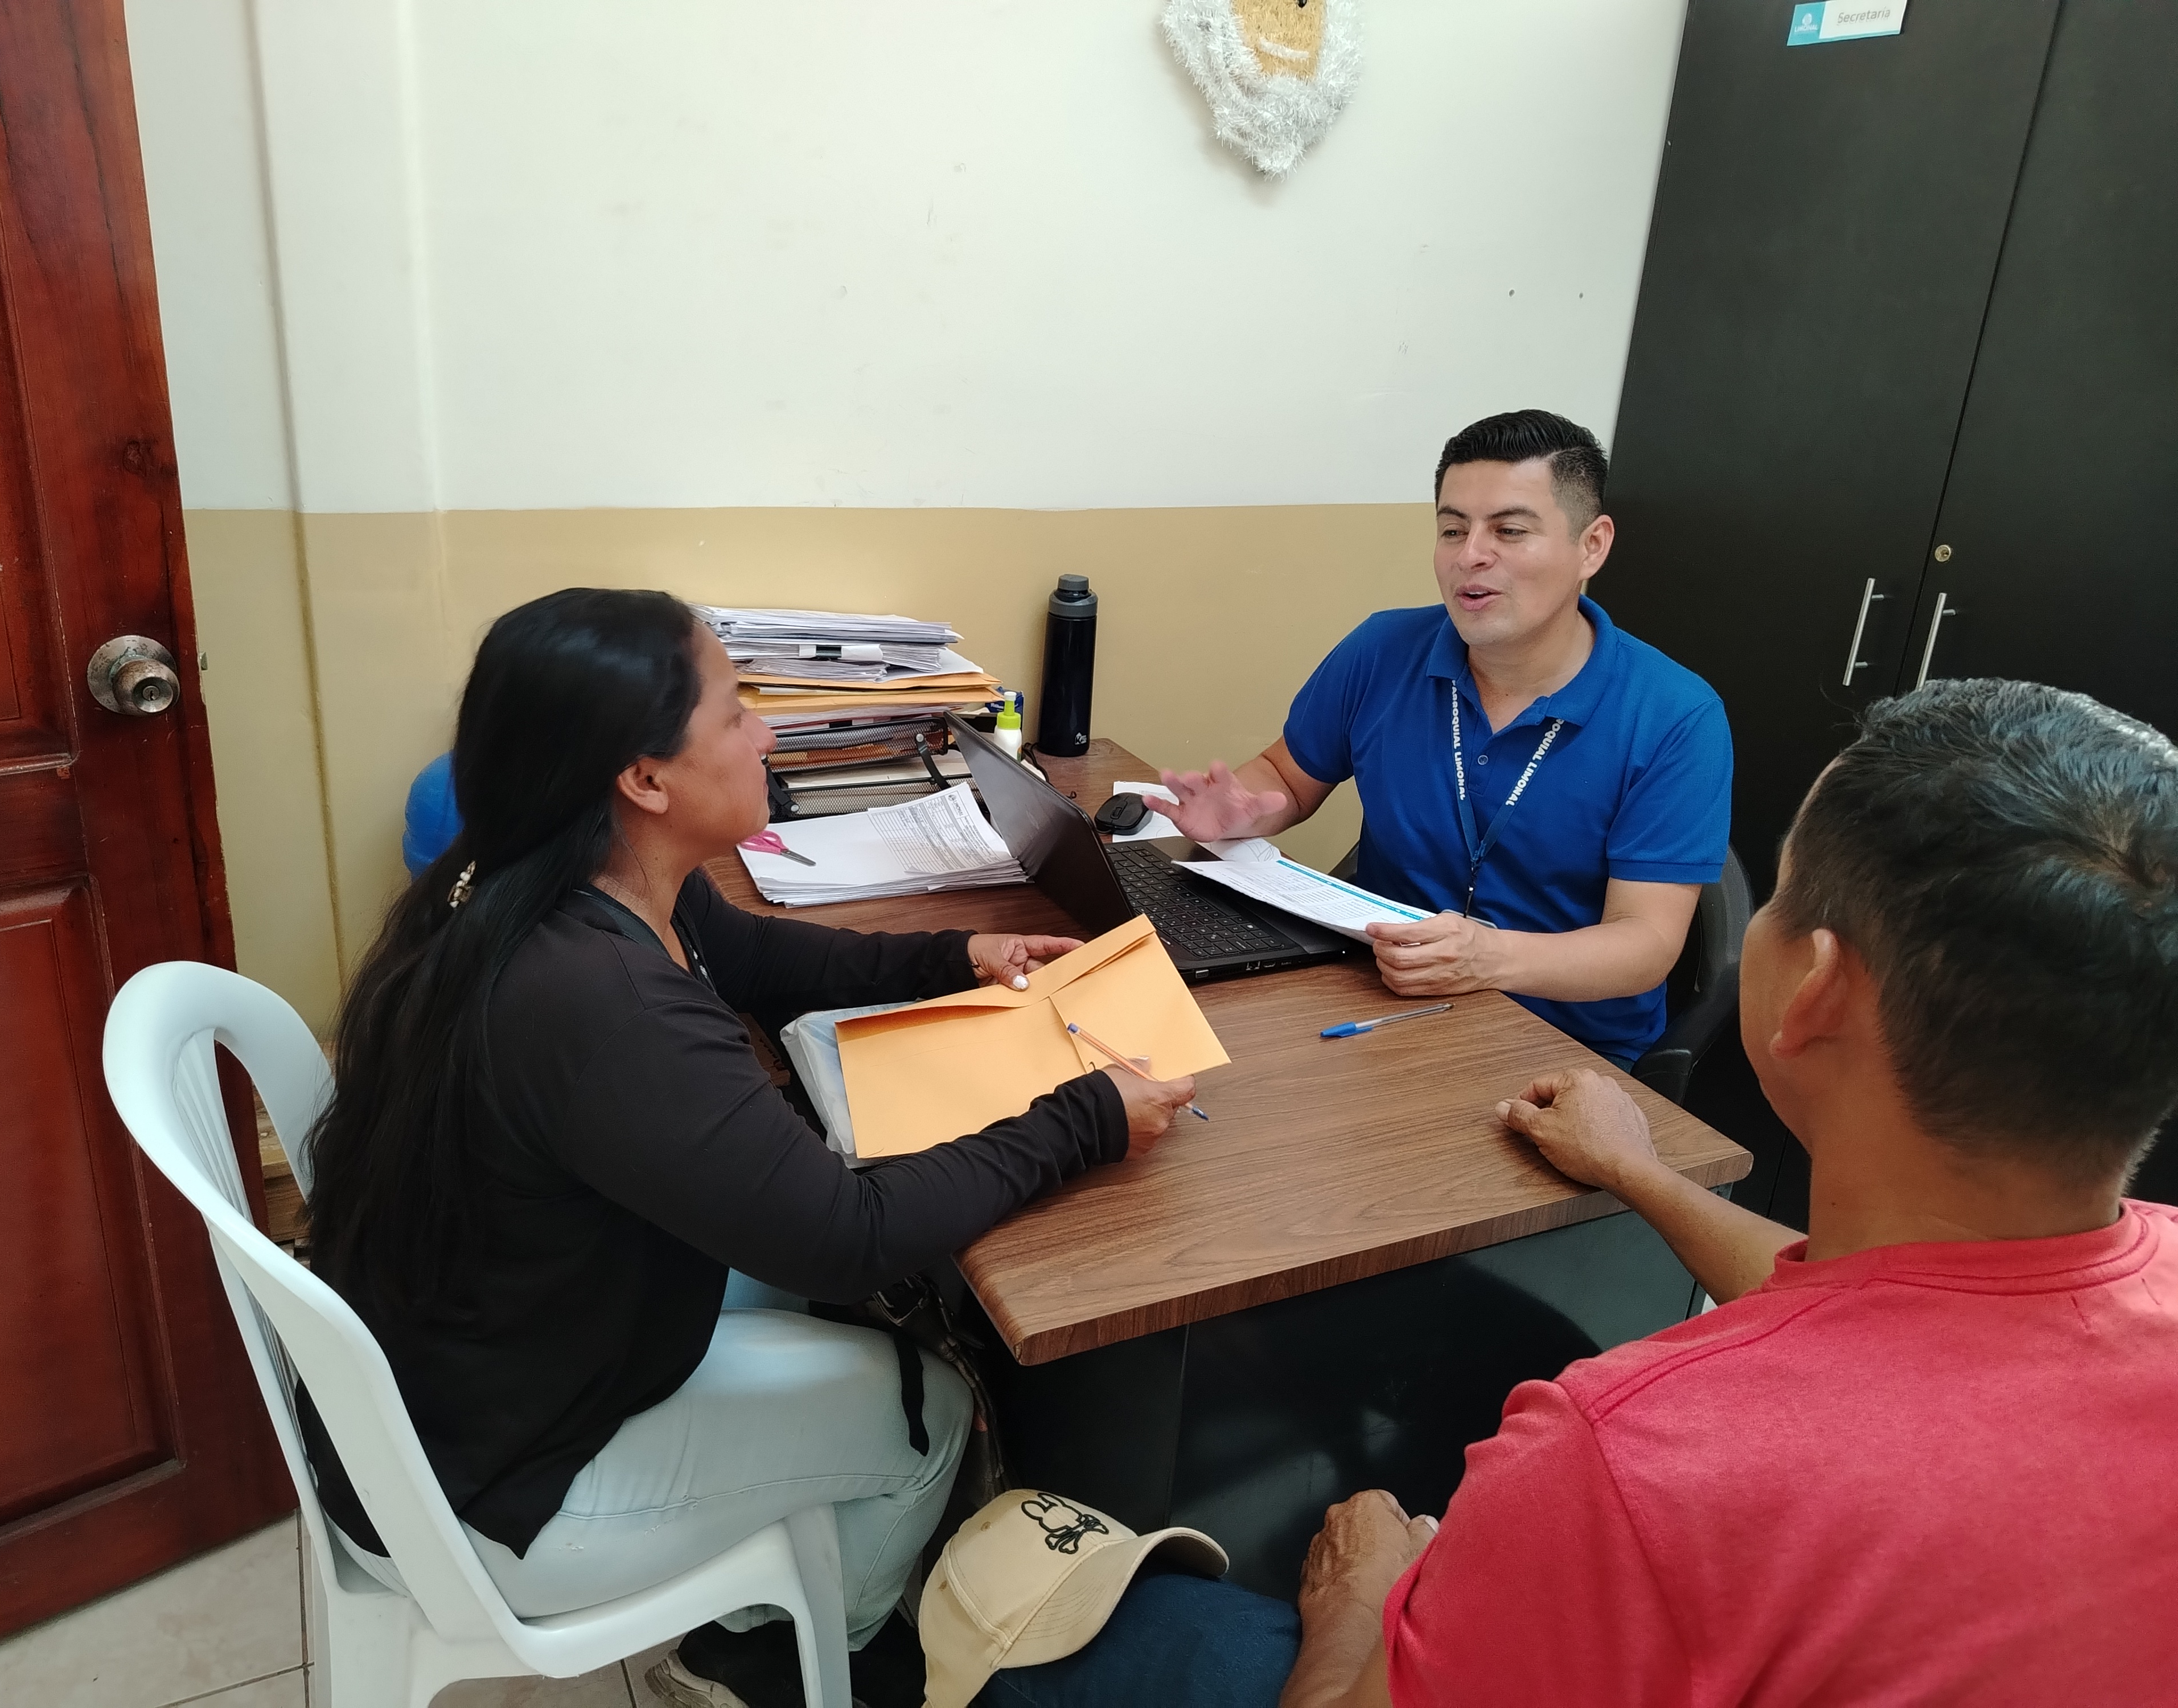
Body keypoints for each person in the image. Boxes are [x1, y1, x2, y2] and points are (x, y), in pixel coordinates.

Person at [981, 678, 2178, 1706]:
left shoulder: (1626, 1461)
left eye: (1779, 895)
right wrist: (1637, 1172)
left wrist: (1362, 1598)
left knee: (1053, 1610)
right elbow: (1888, 1318)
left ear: (1814, 989)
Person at [299, 590, 1195, 1670]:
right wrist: (1087, 1118)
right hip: (497, 1490)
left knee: (838, 1288)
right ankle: (780, 1668)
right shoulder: (603, 1002)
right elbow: (850, 1236)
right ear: (645, 779)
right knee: (933, 1410)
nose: (766, 735)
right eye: (735, 714)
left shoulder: (550, 874)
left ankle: (791, 1588)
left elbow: (760, 959)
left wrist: (957, 955)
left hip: (472, 1370)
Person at [1150, 409, 1732, 1066]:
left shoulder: (1676, 716)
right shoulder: (1382, 649)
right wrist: (1239, 814)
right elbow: (1286, 777)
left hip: (1559, 1046)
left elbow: (1645, 944)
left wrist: (1488, 958)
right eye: (1453, 529)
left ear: (1591, 546)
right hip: (1374, 998)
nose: (1469, 555)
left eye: (1508, 530)